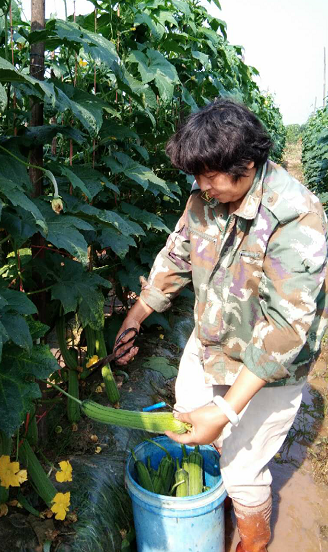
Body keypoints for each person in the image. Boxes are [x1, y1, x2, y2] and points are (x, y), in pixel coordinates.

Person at [114, 98, 328, 552]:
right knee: (191, 422)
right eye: (197, 176)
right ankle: (217, 503)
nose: (201, 186)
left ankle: (253, 539)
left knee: (245, 471)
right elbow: (175, 257)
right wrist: (134, 317)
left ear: (246, 163)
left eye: (209, 176)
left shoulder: (297, 216)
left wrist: (228, 410)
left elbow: (287, 328)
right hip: (211, 341)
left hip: (270, 366)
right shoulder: (203, 201)